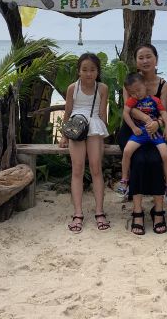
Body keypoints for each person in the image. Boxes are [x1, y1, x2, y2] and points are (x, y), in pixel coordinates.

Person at [117, 44, 167, 235]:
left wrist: (158, 123)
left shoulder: (163, 85)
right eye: (141, 57)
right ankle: (137, 211)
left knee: (156, 160)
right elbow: (129, 109)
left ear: (156, 59)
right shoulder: (130, 82)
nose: (145, 61)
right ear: (136, 61)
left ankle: (159, 210)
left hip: (154, 131)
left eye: (149, 56)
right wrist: (148, 120)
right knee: (139, 160)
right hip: (132, 131)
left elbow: (163, 111)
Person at [59, 53, 110, 233]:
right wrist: (64, 136)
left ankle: (99, 212)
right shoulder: (73, 88)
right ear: (79, 71)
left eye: (93, 70)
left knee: (96, 168)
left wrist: (104, 135)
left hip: (95, 126)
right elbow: (67, 112)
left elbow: (102, 113)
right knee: (77, 169)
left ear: (98, 71)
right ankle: (78, 213)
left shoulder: (102, 88)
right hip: (76, 127)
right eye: (85, 69)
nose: (89, 73)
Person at [117, 73, 167, 203]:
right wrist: (133, 127)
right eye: (132, 92)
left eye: (138, 90)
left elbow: (164, 112)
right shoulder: (132, 101)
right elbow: (125, 113)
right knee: (127, 151)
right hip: (140, 133)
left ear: (145, 86)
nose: (136, 94)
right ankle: (124, 180)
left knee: (166, 155)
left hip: (155, 133)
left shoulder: (155, 100)